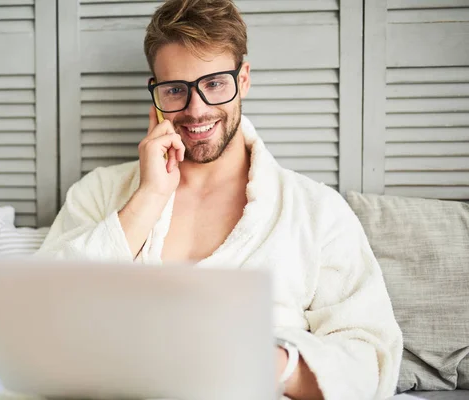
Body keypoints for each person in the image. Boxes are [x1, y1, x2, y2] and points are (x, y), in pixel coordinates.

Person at [36, 0, 403, 398]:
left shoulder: (316, 211)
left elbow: (370, 359)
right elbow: (35, 319)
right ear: (155, 93)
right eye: (175, 89)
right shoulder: (100, 193)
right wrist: (150, 196)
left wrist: (273, 363)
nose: (196, 110)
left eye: (214, 84)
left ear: (243, 80)